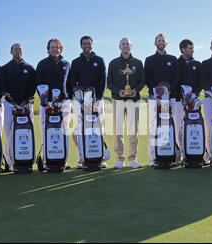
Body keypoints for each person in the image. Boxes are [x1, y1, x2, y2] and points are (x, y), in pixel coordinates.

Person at [67, 36, 107, 168]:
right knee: (80, 129)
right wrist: (77, 97)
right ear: (81, 46)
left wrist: (99, 98)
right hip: (80, 101)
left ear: (92, 45)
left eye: (89, 43)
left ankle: (99, 158)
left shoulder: (99, 60)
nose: (87, 46)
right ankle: (82, 157)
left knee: (98, 128)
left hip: (97, 101)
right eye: (84, 44)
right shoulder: (76, 62)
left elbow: (103, 80)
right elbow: (72, 81)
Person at [107, 37, 145, 169]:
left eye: (127, 44)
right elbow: (109, 82)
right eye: (123, 44)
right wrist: (119, 91)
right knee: (118, 130)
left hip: (133, 100)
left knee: (133, 130)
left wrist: (135, 90)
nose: (125, 46)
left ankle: (132, 158)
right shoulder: (113, 63)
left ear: (131, 46)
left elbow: (142, 81)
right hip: (118, 99)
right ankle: (119, 159)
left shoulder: (138, 63)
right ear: (119, 47)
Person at [144, 33, 180, 166]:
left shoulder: (173, 59)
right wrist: (156, 88)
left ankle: (171, 154)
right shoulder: (149, 59)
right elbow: (147, 77)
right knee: (154, 126)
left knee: (170, 125)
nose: (161, 42)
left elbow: (177, 77)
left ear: (166, 43)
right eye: (159, 41)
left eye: (163, 41)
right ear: (155, 43)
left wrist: (168, 88)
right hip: (154, 98)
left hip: (169, 98)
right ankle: (154, 157)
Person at [0, 43, 36, 171]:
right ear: (11, 52)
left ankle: (27, 160)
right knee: (9, 134)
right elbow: (3, 88)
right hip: (10, 105)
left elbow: (33, 87)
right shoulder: (5, 68)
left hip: (26, 105)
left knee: (27, 132)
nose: (18, 51)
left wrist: (25, 101)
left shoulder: (30, 68)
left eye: (20, 49)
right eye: (15, 49)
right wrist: (13, 101)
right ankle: (10, 163)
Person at [36, 38, 71, 167]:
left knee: (63, 131)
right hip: (47, 103)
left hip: (64, 102)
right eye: (52, 47)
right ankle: (47, 159)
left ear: (61, 49)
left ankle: (62, 159)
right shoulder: (42, 64)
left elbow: (70, 83)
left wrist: (69, 98)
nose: (55, 49)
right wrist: (45, 101)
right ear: (48, 49)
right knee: (46, 131)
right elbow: (38, 83)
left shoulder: (66, 64)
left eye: (57, 47)